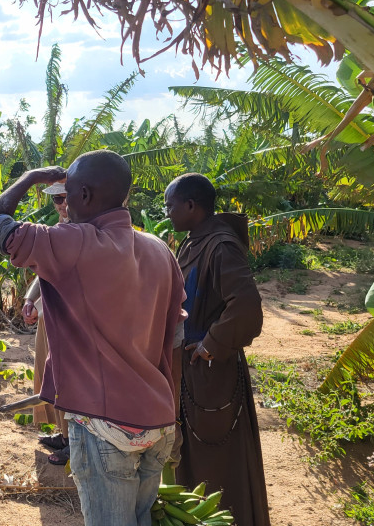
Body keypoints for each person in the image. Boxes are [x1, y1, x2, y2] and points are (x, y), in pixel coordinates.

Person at [0, 150, 186, 526]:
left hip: (107, 428)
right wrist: (172, 417)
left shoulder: (73, 242)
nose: (64, 202)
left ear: (85, 195)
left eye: (66, 193)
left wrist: (30, 178)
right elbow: (175, 342)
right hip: (157, 423)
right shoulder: (159, 249)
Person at [164, 173, 271, 526]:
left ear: (191, 206)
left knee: (220, 464)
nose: (167, 213)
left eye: (171, 205)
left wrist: (210, 345)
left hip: (213, 375)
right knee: (194, 463)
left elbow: (246, 308)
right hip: (193, 374)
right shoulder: (195, 241)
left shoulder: (221, 245)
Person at [22, 182, 71, 465]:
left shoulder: (85, 232)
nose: (61, 204)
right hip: (48, 314)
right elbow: (43, 273)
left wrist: (38, 307)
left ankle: (74, 442)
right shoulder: (57, 230)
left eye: (66, 198)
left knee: (67, 377)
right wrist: (31, 301)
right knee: (48, 372)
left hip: (69, 319)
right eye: (56, 199)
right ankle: (63, 434)